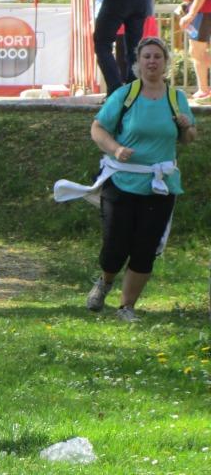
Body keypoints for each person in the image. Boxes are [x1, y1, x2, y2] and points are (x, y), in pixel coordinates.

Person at [85, 37, 197, 322]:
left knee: (145, 248)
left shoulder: (176, 99)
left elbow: (188, 139)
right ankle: (105, 282)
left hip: (160, 186)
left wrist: (186, 127)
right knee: (116, 244)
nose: (152, 61)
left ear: (166, 62)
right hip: (122, 181)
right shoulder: (125, 95)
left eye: (157, 56)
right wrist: (116, 149)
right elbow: (98, 129)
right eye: (147, 56)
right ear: (138, 62)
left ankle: (126, 307)